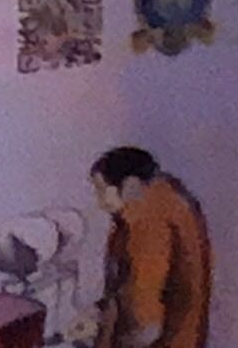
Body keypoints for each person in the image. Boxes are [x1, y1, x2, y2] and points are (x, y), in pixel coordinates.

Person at [89, 148, 210, 348]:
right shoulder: (163, 198)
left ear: (130, 185)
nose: (99, 202)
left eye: (102, 190)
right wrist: (98, 316)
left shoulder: (147, 219)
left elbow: (144, 321)